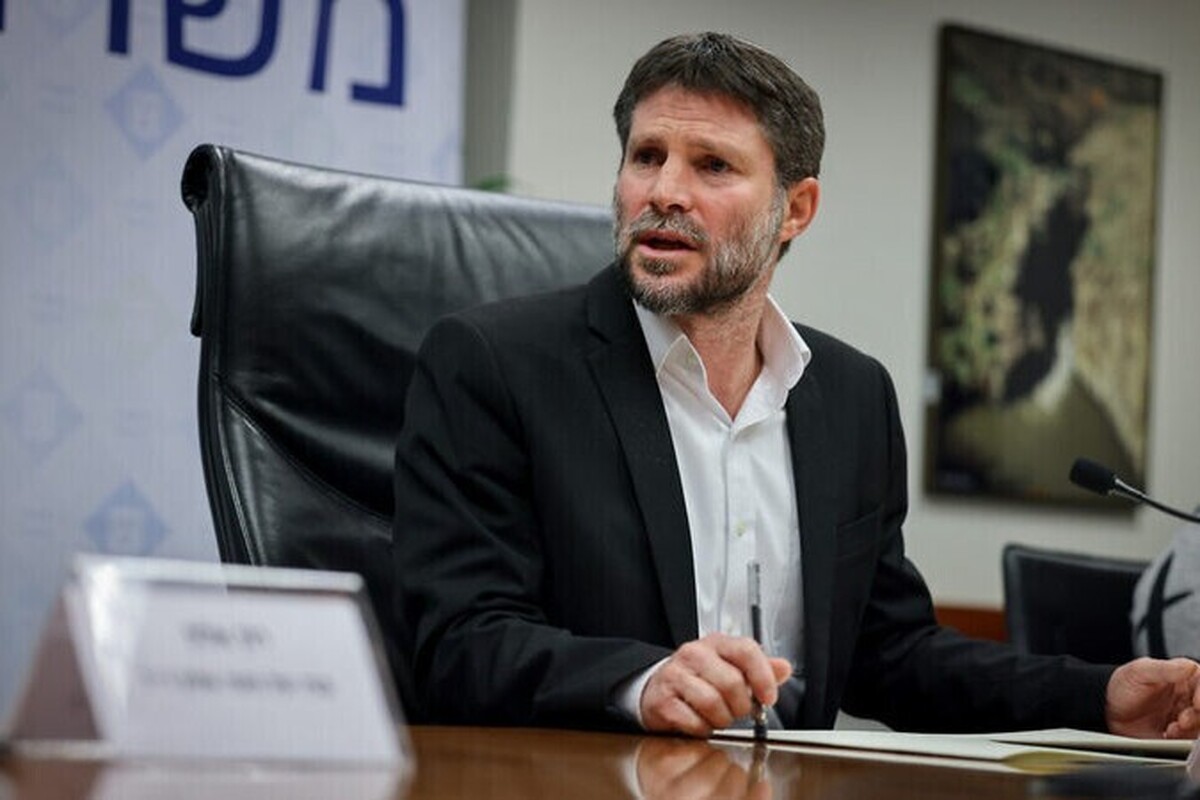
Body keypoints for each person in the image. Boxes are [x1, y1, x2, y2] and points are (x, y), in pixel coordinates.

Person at [392, 32, 1200, 738]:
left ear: (796, 209)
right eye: (646, 157)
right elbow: (460, 642)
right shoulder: (496, 364)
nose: (664, 192)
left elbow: (892, 654)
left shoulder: (851, 397)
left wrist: (1097, 696)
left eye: (712, 165)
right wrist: (641, 684)